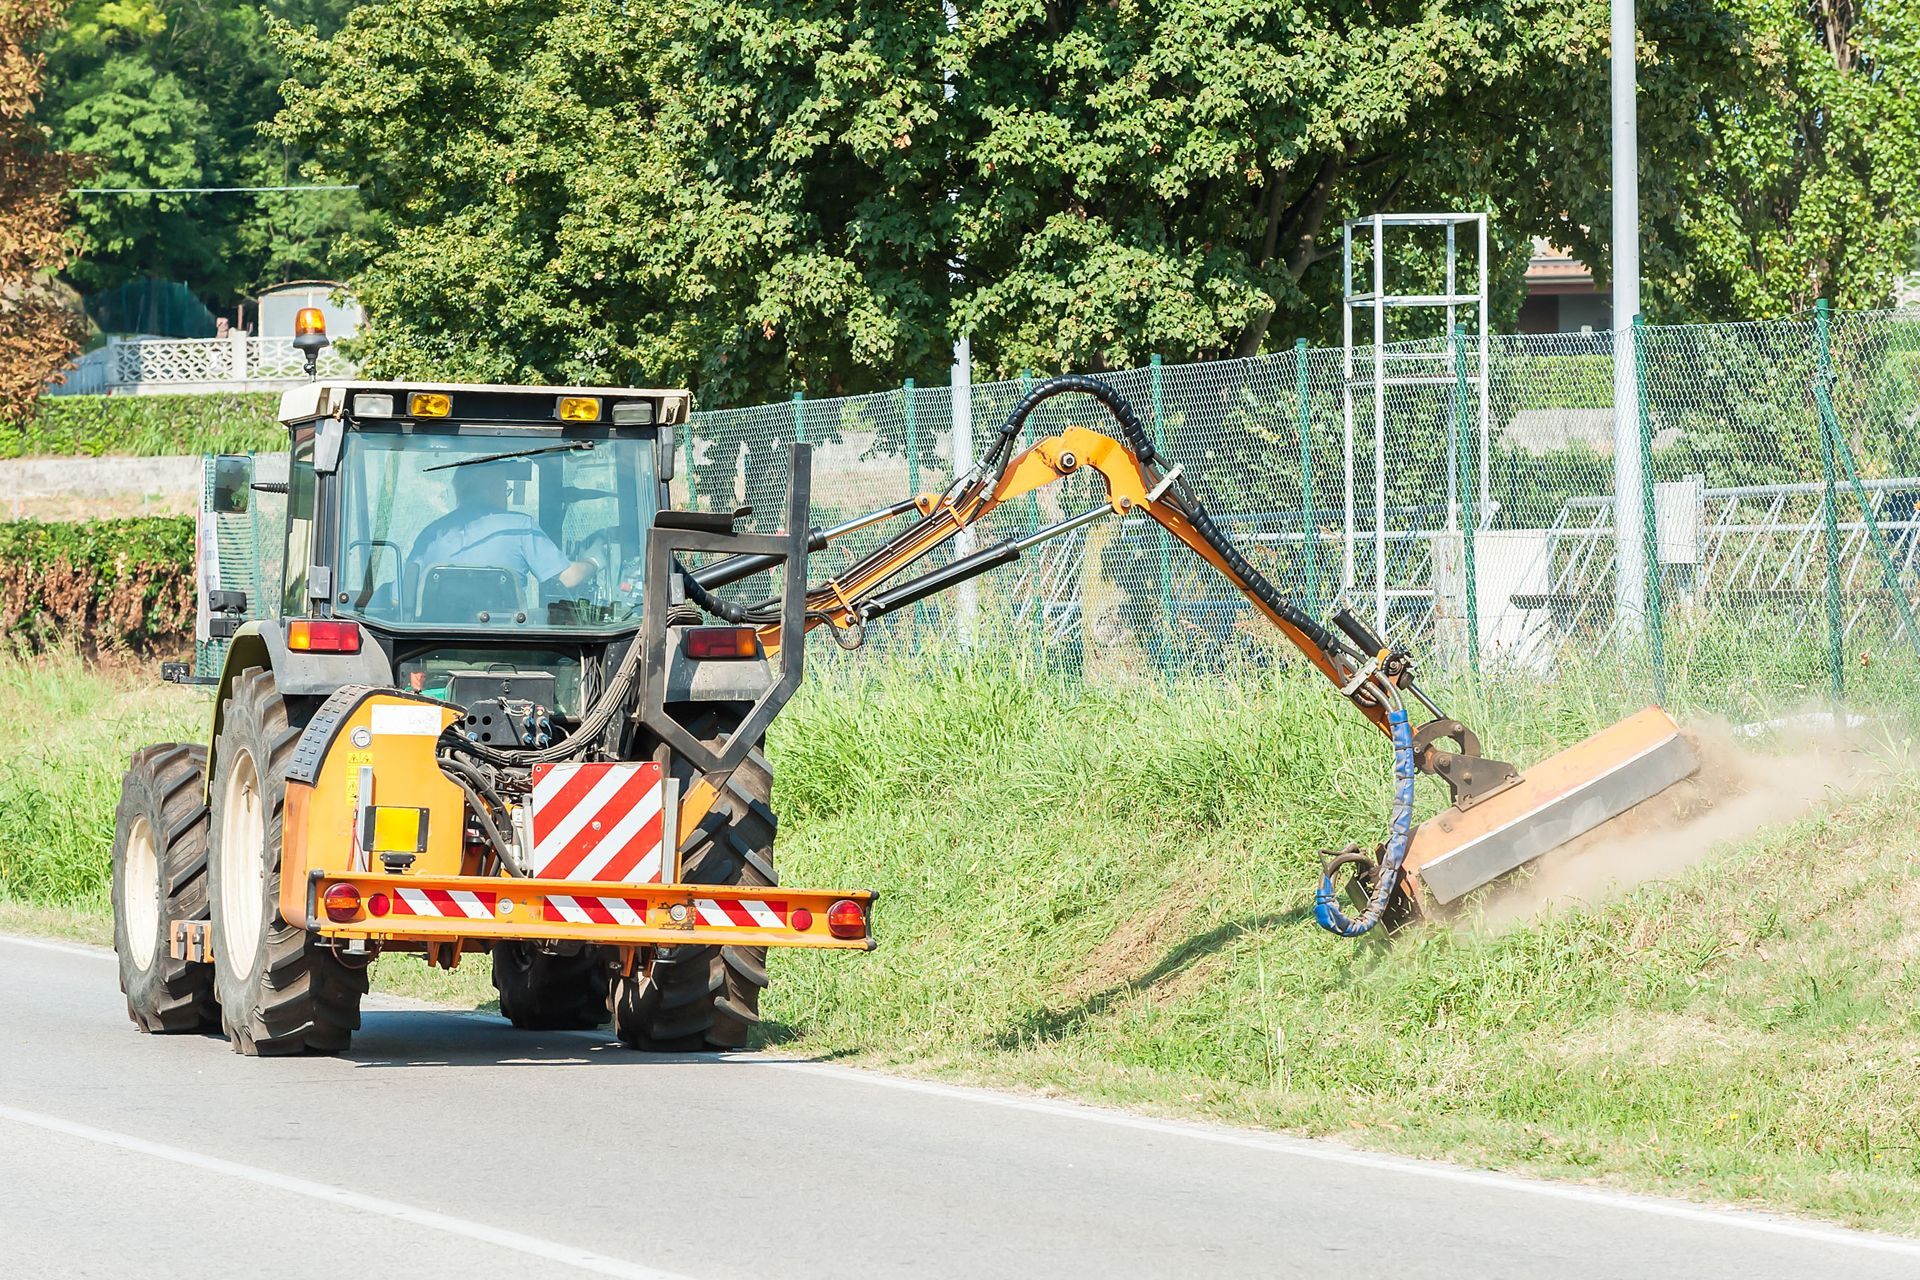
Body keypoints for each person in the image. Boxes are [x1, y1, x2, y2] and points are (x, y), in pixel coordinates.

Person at [407, 462, 598, 606]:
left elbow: (399, 599)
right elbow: (569, 577)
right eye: (505, 489)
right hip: (508, 646)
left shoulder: (432, 533)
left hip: (436, 646)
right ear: (492, 488)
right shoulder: (520, 526)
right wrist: (595, 561)